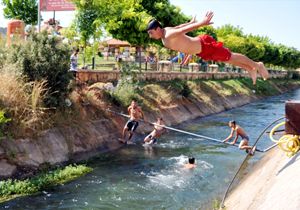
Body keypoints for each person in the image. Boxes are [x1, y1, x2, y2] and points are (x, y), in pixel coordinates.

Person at [146, 11, 269, 85]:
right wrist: (190, 22)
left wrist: (201, 23)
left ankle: (257, 65)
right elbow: (180, 26)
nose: (150, 36)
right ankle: (249, 68)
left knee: (231, 55)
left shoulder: (167, 35)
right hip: (201, 51)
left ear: (157, 29)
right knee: (228, 59)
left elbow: (184, 30)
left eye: (151, 33)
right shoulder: (166, 33)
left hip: (204, 46)